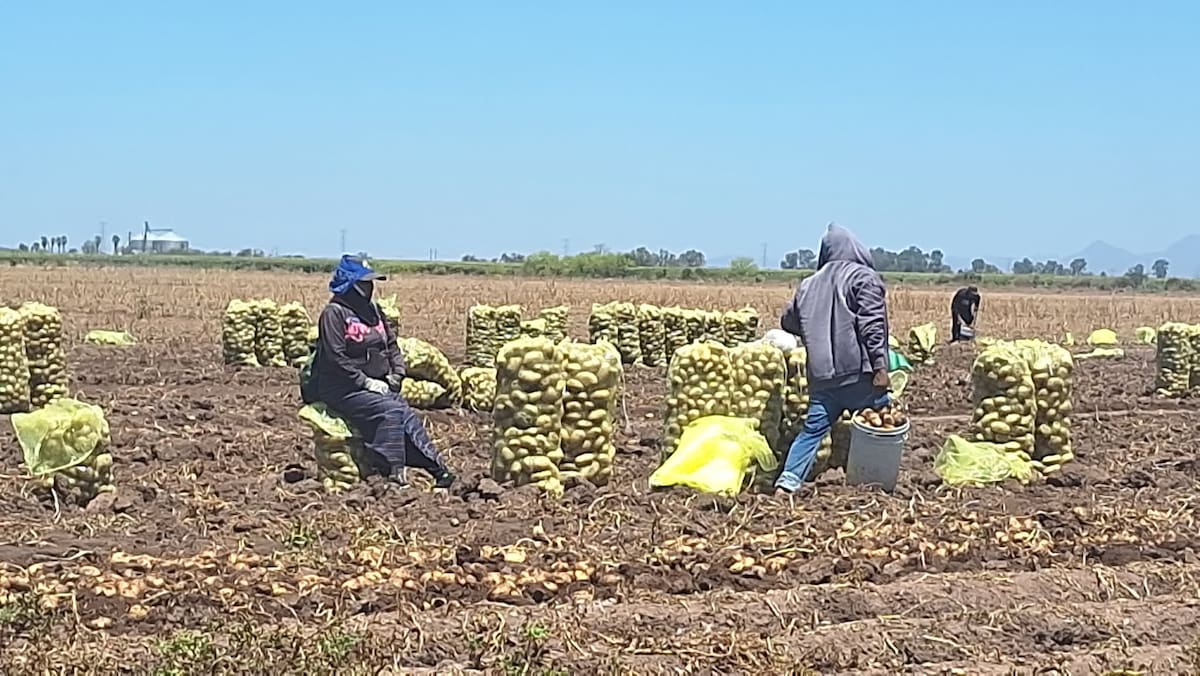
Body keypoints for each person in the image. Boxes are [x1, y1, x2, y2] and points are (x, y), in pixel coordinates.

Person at [311, 255, 455, 489]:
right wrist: (365, 381)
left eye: (370, 283)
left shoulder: (374, 311)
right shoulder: (334, 313)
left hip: (378, 384)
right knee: (390, 412)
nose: (369, 288)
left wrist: (397, 372)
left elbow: (391, 345)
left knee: (406, 414)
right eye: (363, 283)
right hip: (343, 388)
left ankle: (437, 469)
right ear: (349, 284)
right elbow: (335, 357)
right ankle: (389, 473)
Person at [775, 224, 891, 495]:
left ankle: (787, 483)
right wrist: (880, 366)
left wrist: (815, 331)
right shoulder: (864, 278)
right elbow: (872, 324)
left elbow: (788, 321)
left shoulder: (809, 284)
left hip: (822, 377)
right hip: (858, 374)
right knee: (880, 424)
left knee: (812, 431)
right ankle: (877, 486)